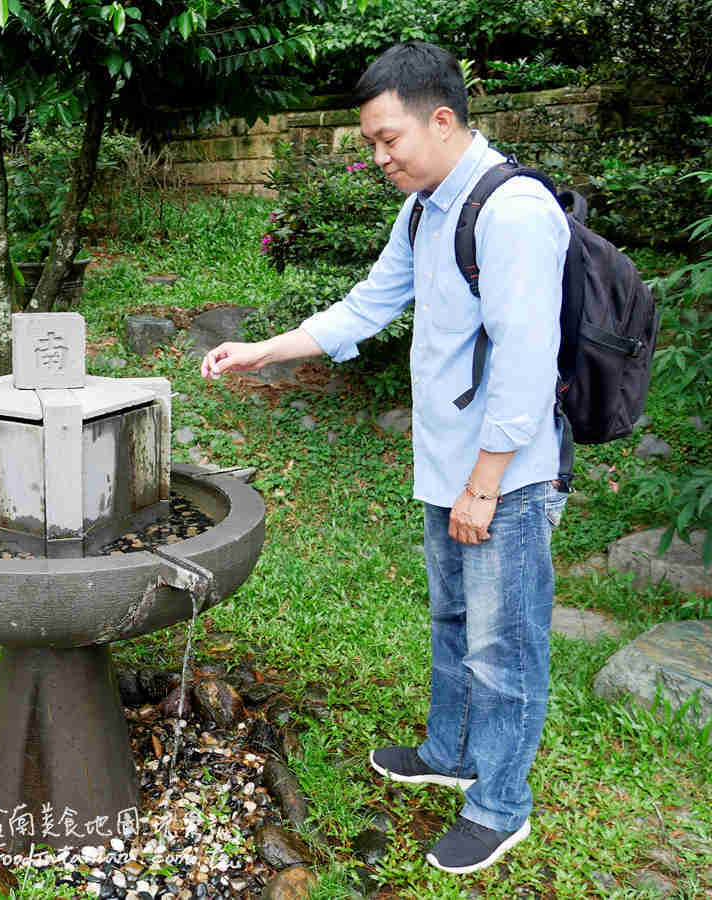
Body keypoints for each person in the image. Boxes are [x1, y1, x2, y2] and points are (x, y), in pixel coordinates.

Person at [200, 40, 570, 875]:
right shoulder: (427, 207)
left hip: (502, 474)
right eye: (370, 142)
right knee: (452, 622)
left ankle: (500, 803)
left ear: (442, 120)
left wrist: (485, 484)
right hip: (449, 465)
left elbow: (525, 363)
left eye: (387, 138)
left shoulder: (511, 212)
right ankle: (450, 750)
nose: (379, 157)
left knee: (503, 646)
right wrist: (265, 349)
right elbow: (370, 303)